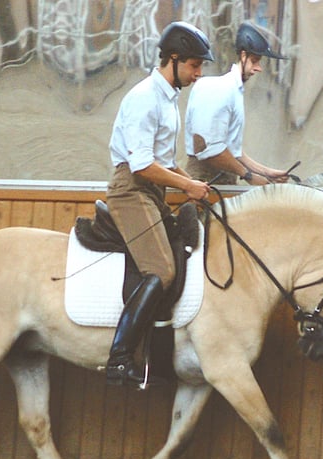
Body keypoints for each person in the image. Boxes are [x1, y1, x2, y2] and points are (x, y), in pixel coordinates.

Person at [105, 21, 214, 388]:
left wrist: (192, 185)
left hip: (152, 190)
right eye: (195, 66)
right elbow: (141, 165)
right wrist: (186, 185)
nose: (198, 74)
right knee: (162, 270)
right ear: (174, 59)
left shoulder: (169, 101)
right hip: (130, 189)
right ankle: (119, 359)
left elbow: (165, 163)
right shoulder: (144, 98)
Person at [184, 21, 290, 186]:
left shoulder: (234, 91)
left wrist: (266, 172)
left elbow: (234, 151)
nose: (258, 68)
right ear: (243, 56)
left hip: (225, 177)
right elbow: (209, 150)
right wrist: (248, 176)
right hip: (204, 179)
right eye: (254, 61)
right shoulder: (218, 88)